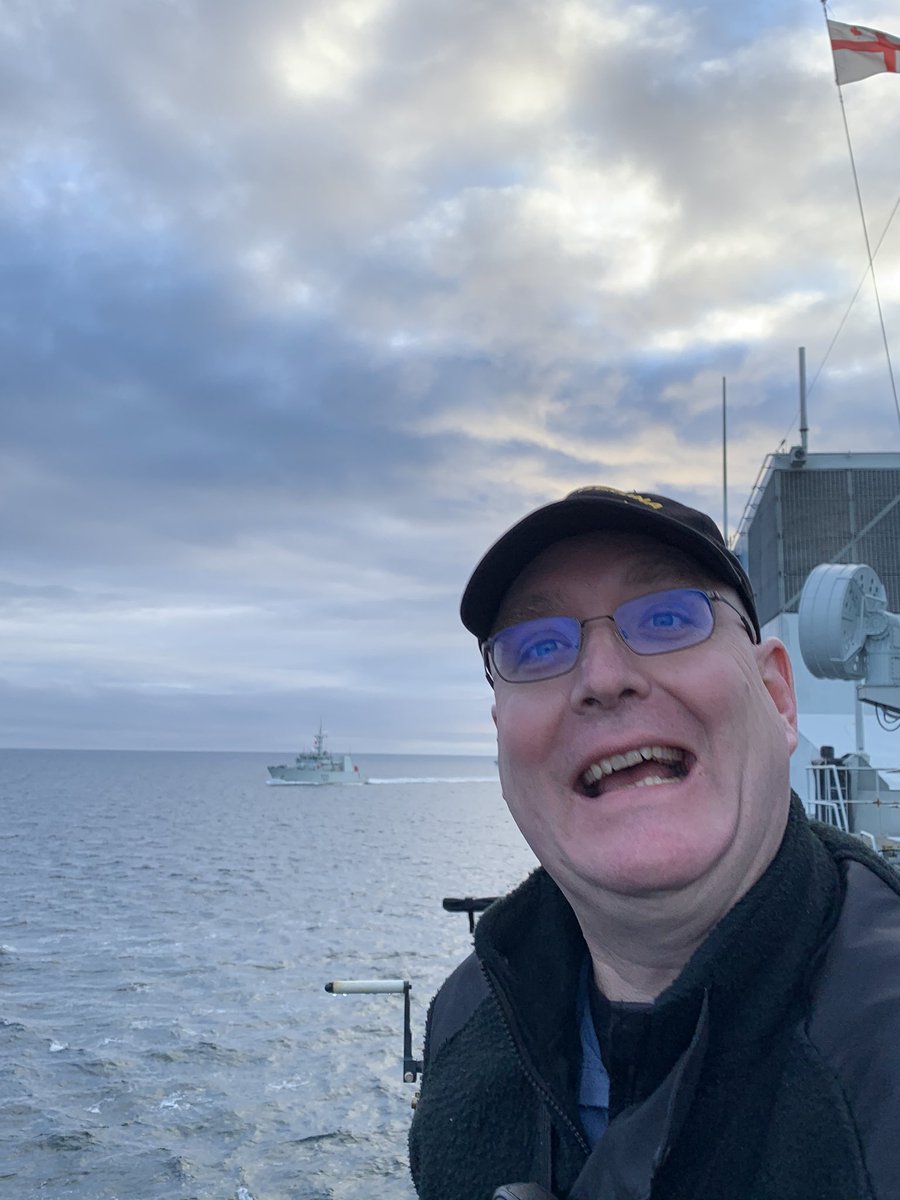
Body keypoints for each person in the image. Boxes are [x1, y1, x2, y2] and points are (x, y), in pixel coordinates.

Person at [408, 485, 900, 1200]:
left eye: (668, 618)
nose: (604, 678)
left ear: (777, 697)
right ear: (502, 742)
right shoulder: (466, 1018)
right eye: (539, 646)